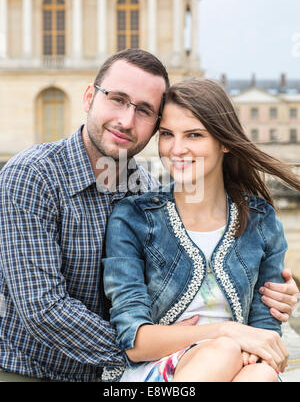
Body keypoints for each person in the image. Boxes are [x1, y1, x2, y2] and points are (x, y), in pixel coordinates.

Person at [0, 50, 298, 382]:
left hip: (142, 369)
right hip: (33, 371)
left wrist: (278, 298)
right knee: (226, 352)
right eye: (117, 100)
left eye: (144, 111)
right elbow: (43, 311)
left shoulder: (146, 189)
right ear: (88, 97)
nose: (126, 121)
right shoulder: (32, 175)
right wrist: (156, 343)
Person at [103, 78, 300, 382]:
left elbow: (264, 333)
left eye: (194, 135)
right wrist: (226, 333)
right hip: (153, 370)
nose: (177, 149)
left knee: (260, 374)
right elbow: (135, 342)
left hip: (239, 367)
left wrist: (245, 346)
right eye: (167, 134)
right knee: (223, 351)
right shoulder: (134, 217)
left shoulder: (261, 220)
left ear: (224, 141)